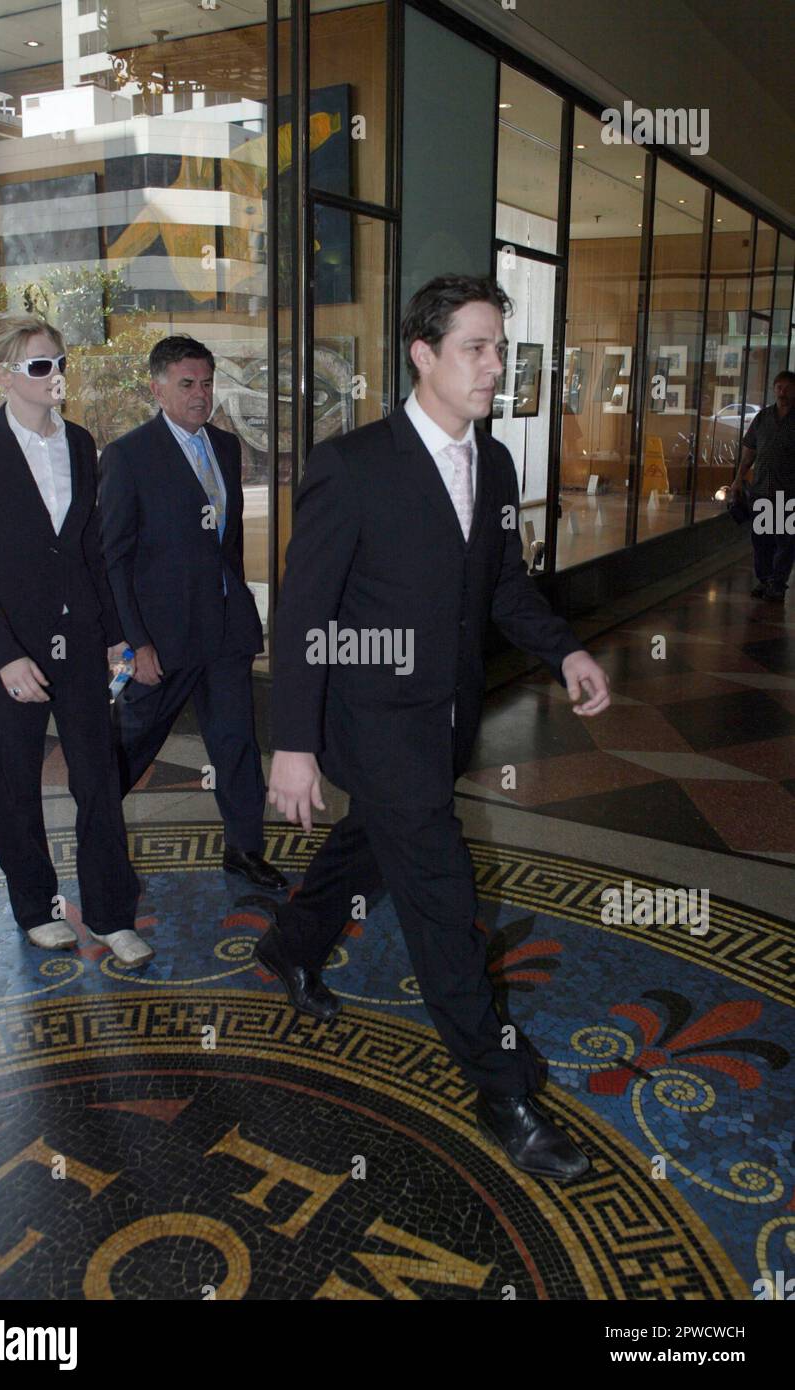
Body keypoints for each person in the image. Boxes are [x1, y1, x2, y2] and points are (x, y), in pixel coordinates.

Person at [264, 275, 611, 1184]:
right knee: (443, 901)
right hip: (374, 723)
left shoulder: (492, 465)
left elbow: (497, 587)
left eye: (500, 347)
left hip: (447, 715)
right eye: (477, 347)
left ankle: (288, 946)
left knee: (367, 852)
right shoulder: (352, 464)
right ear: (422, 354)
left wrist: (563, 651)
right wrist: (293, 744)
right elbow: (303, 616)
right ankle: (502, 1090)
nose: (496, 365)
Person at [0, 313, 150, 965]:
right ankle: (35, 908)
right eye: (39, 365)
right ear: (3, 375)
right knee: (12, 786)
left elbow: (89, 548)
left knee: (97, 780)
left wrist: (116, 635)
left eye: (59, 361)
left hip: (80, 644)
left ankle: (113, 914)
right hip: (6, 654)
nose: (55, 374)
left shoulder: (82, 444)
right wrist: (4, 657)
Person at [99, 336, 287, 890]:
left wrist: (243, 613)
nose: (200, 395)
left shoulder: (227, 448)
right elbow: (114, 558)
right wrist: (135, 643)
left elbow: (225, 547)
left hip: (224, 632)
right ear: (157, 388)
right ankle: (99, 839)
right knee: (131, 744)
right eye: (187, 384)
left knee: (236, 743)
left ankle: (245, 849)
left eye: (207, 383)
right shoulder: (129, 456)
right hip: (162, 639)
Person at [732, 370, 795, 601]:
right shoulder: (763, 418)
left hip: (788, 493)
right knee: (761, 539)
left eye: (788, 388)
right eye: (779, 387)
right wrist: (739, 478)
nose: (782, 392)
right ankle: (765, 579)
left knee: (785, 540)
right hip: (761, 490)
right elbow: (750, 450)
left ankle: (778, 583)